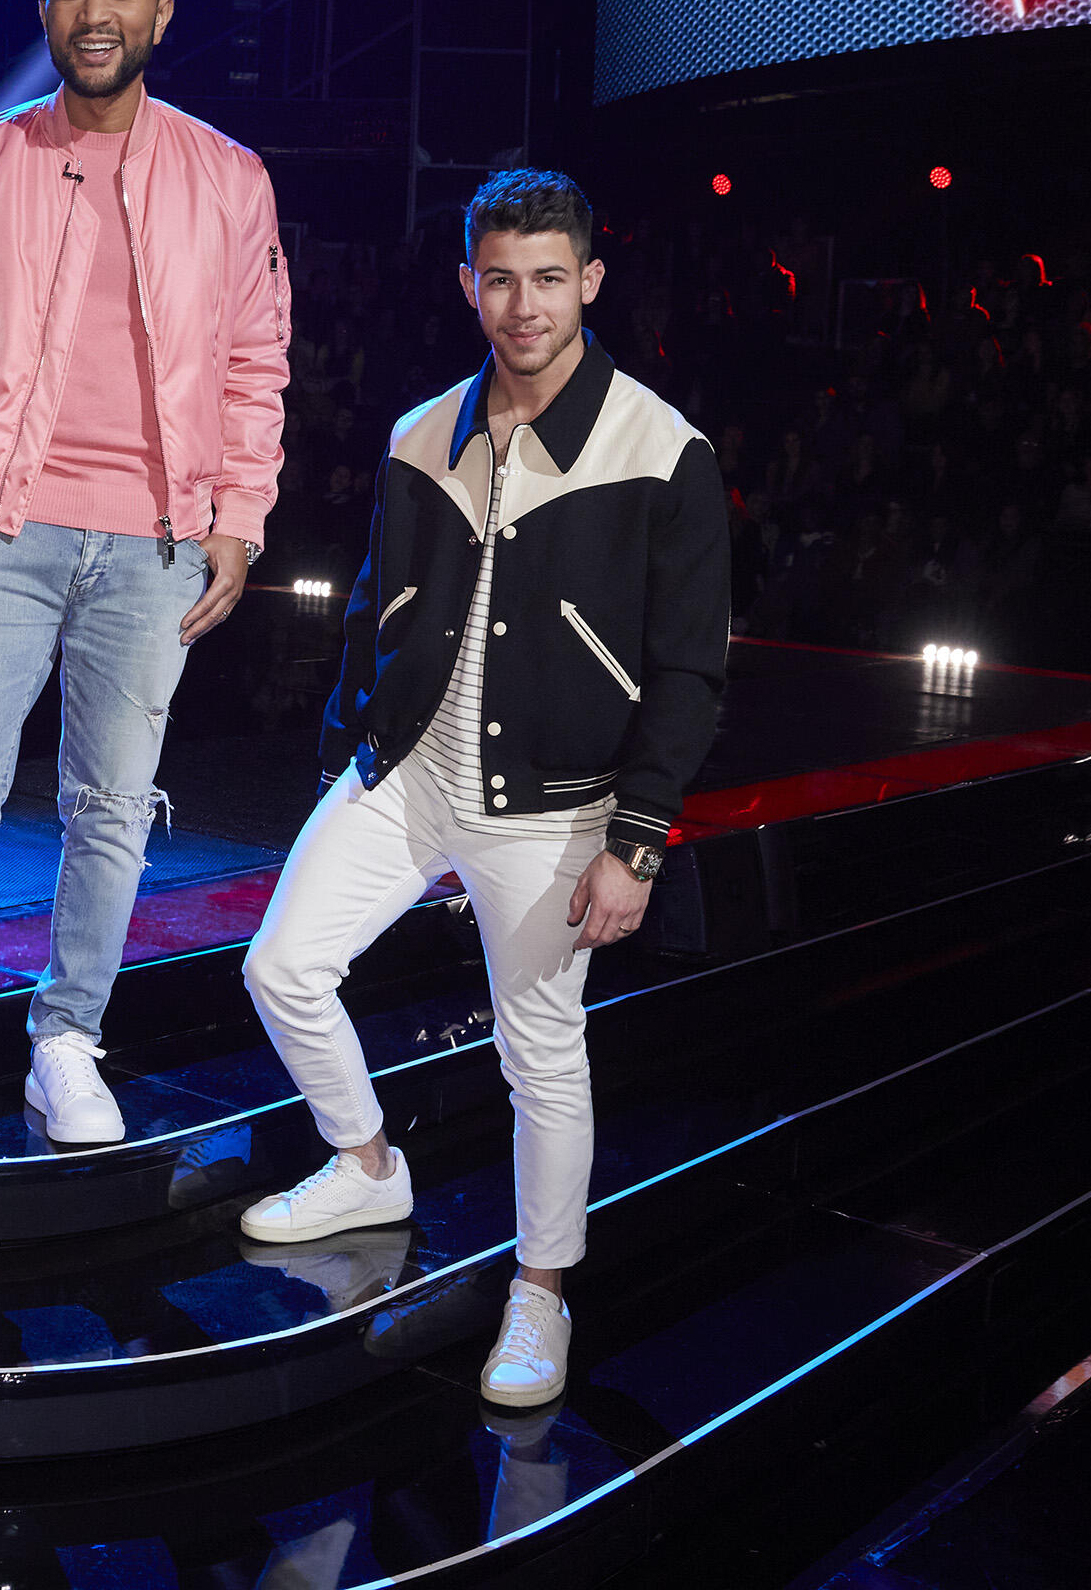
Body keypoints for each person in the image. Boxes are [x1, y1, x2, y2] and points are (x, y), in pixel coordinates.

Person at [233, 169, 728, 1411]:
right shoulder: (420, 431)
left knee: (539, 1051)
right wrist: (345, 747)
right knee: (281, 964)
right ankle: (366, 1163)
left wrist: (637, 839)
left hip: (557, 804)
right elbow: (375, 603)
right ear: (469, 283)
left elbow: (689, 670)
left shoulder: (661, 448)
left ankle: (542, 1289)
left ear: (590, 281)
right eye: (501, 278)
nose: (525, 305)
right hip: (406, 770)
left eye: (549, 278)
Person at [0, 0, 290, 1173]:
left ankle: (69, 1037)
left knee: (112, 805)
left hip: (155, 540)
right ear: (44, 11)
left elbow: (257, 359)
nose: (97, 11)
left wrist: (240, 517)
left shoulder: (229, 174)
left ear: (161, 15)